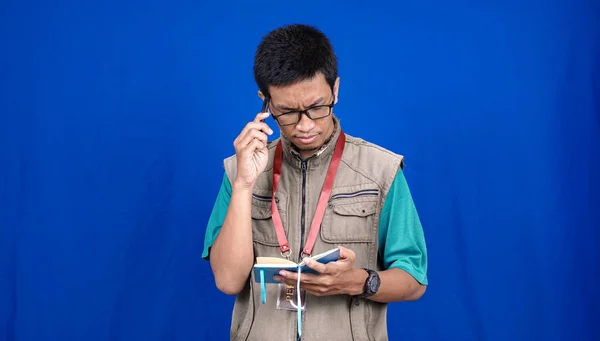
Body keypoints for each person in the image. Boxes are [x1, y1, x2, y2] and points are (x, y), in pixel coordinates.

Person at [202, 23, 428, 341]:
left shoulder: (382, 171)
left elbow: (415, 280)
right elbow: (227, 281)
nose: (305, 125)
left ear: (335, 89)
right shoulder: (238, 172)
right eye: (287, 111)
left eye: (317, 107)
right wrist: (244, 184)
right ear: (265, 101)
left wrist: (359, 282)